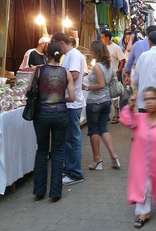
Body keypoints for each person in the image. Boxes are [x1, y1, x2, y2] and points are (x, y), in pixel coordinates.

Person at [28, 41, 75, 203]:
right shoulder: (66, 73)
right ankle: (55, 192)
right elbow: (73, 97)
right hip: (61, 115)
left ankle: (39, 191)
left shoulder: (39, 71)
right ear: (61, 55)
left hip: (41, 115)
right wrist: (61, 99)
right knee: (57, 151)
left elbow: (29, 90)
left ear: (46, 54)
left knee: (41, 150)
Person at [120, 87, 156, 229]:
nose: (149, 102)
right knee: (144, 185)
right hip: (141, 162)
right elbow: (125, 120)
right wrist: (130, 105)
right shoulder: (139, 118)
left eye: (153, 98)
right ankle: (143, 213)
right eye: (147, 99)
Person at [52, 32, 86, 186]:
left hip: (72, 104)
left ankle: (75, 173)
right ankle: (70, 169)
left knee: (72, 139)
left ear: (61, 43)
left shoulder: (73, 55)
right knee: (69, 139)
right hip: (70, 103)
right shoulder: (71, 55)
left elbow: (74, 75)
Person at [82, 40, 121, 170]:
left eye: (91, 50)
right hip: (106, 101)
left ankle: (97, 159)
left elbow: (101, 84)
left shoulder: (97, 66)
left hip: (95, 101)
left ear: (96, 51)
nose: (89, 52)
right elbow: (108, 81)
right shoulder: (108, 65)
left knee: (93, 130)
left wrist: (86, 87)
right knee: (103, 129)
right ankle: (113, 155)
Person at [101, 30, 126, 123]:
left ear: (107, 38)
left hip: (113, 74)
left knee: (114, 94)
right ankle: (106, 114)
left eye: (102, 37)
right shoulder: (102, 47)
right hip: (103, 73)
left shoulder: (116, 48)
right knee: (105, 94)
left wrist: (118, 71)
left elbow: (122, 60)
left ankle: (116, 115)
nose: (101, 39)